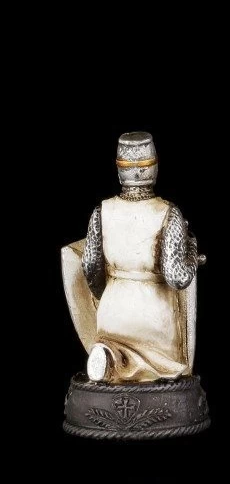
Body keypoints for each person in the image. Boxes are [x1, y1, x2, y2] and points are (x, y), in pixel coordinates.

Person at [69, 133, 202, 382]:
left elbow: (89, 265)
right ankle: (150, 371)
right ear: (154, 166)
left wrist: (105, 294)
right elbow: (177, 277)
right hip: (153, 317)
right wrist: (193, 252)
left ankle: (110, 357)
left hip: (113, 311)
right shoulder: (168, 213)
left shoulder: (101, 211)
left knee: (116, 345)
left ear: (120, 169)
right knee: (160, 368)